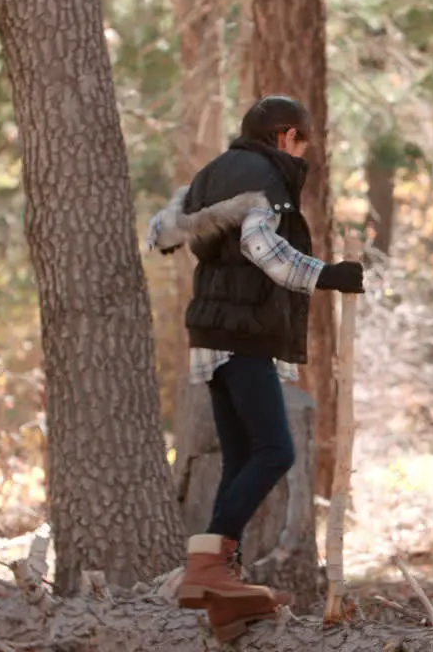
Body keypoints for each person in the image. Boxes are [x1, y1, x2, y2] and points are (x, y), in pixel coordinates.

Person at [146, 95, 365, 640]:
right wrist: (328, 275)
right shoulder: (262, 177)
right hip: (240, 337)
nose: (304, 151)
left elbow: (160, 230)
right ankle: (208, 567)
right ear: (287, 136)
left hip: (210, 336)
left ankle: (224, 587)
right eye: (303, 141)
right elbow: (265, 251)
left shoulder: (214, 173)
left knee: (242, 454)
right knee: (275, 451)